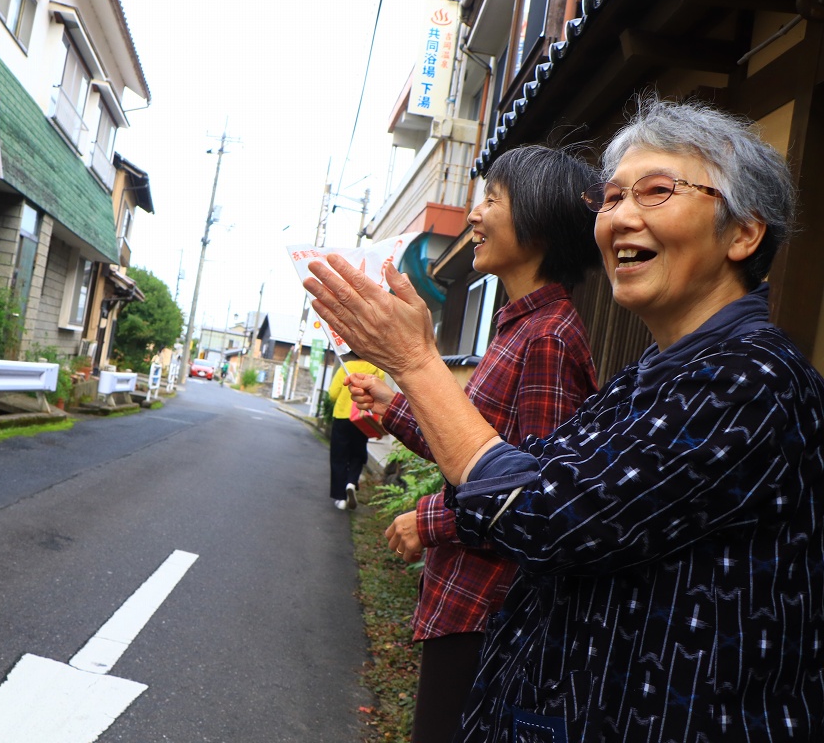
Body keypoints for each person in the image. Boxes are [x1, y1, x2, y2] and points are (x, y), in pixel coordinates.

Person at [305, 96, 824, 741]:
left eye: (656, 191)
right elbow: (526, 465)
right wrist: (413, 400)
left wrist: (415, 363)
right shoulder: (650, 373)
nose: (619, 218)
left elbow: (542, 510)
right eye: (610, 199)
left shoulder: (750, 378)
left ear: (744, 233)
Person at [346, 145, 600, 743]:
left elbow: (536, 497)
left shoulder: (549, 339)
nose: (475, 216)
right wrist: (395, 409)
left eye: (493, 199)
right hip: (465, 598)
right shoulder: (520, 325)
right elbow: (477, 453)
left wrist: (430, 520)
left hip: (489, 607)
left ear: (537, 223)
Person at [327, 359, 385, 510]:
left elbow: (333, 394)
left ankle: (341, 498)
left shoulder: (345, 367)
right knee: (357, 454)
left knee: (339, 457)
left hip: (342, 417)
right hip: (363, 417)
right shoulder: (376, 369)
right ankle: (352, 482)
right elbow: (381, 396)